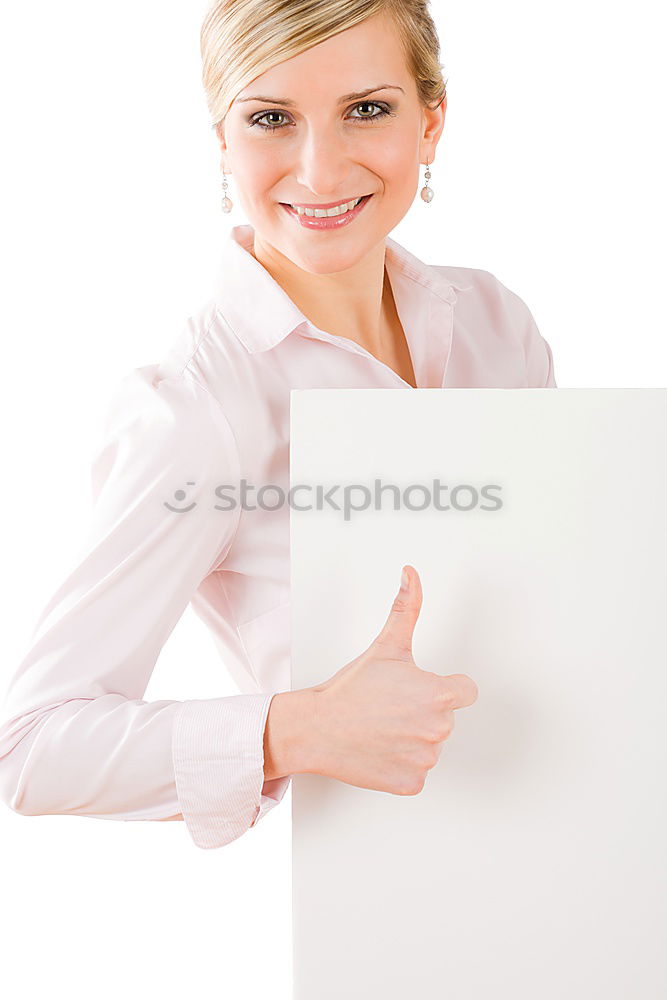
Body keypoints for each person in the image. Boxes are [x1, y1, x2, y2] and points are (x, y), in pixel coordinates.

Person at [0, 0, 556, 850]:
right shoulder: (197, 407)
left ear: (430, 122)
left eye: (367, 109)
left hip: (589, 843)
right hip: (389, 898)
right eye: (270, 119)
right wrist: (297, 728)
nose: (321, 171)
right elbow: (33, 749)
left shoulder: (494, 323)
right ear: (222, 141)